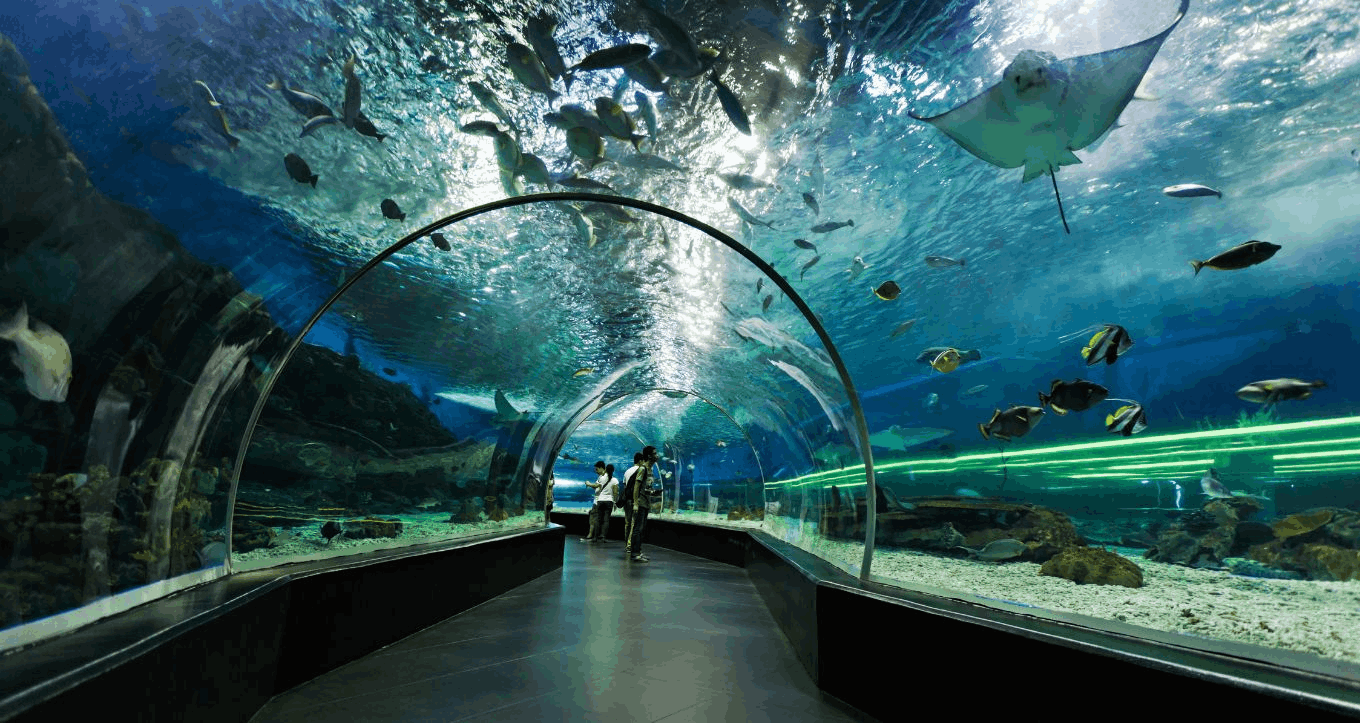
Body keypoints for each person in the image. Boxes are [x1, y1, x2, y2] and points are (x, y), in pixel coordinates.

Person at [623, 445, 661, 563]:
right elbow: (636, 487)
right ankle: (635, 554)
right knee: (637, 529)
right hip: (640, 503)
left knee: (641, 529)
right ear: (649, 456)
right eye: (655, 453)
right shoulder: (642, 469)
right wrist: (635, 503)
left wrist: (653, 492)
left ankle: (638, 552)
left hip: (646, 503)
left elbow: (645, 488)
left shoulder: (650, 470)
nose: (657, 456)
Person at [620, 452, 642, 551]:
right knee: (634, 523)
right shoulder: (641, 470)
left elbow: (625, 486)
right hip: (635, 499)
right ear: (640, 461)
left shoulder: (627, 471)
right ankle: (630, 544)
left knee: (627, 522)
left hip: (627, 500)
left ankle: (627, 543)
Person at [590, 464, 618, 542]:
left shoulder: (601, 478)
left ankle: (595, 537)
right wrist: (615, 502)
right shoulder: (615, 480)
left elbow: (596, 486)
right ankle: (603, 537)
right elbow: (615, 492)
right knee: (606, 520)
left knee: (598, 519)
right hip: (609, 501)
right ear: (613, 470)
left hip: (600, 500)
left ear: (605, 469)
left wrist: (588, 484)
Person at [582, 461, 607, 542]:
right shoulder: (602, 477)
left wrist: (589, 484)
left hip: (598, 501)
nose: (596, 471)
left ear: (601, 468)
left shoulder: (604, 477)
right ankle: (597, 536)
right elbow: (597, 487)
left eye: (597, 469)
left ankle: (591, 535)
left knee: (593, 518)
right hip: (600, 500)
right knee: (598, 518)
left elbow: (597, 486)